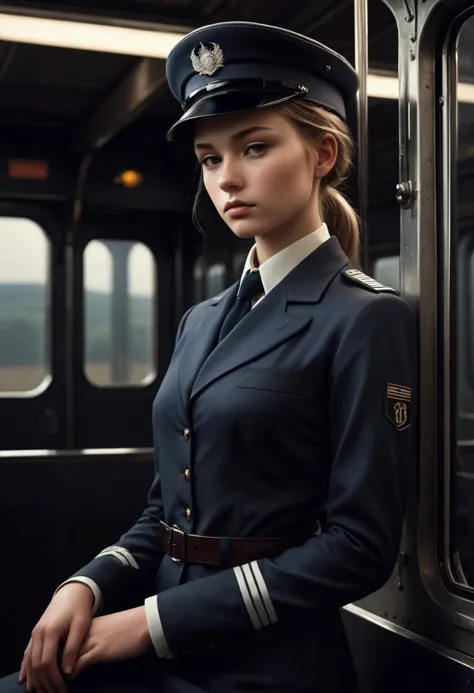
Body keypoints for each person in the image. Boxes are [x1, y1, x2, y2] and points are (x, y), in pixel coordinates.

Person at [0, 20, 417, 693]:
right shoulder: (202, 320)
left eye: (254, 147)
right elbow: (167, 507)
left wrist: (150, 621)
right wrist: (88, 581)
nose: (227, 179)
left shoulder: (366, 317)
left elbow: (359, 547)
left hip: (270, 662)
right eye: (209, 157)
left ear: (321, 153)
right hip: (162, 645)